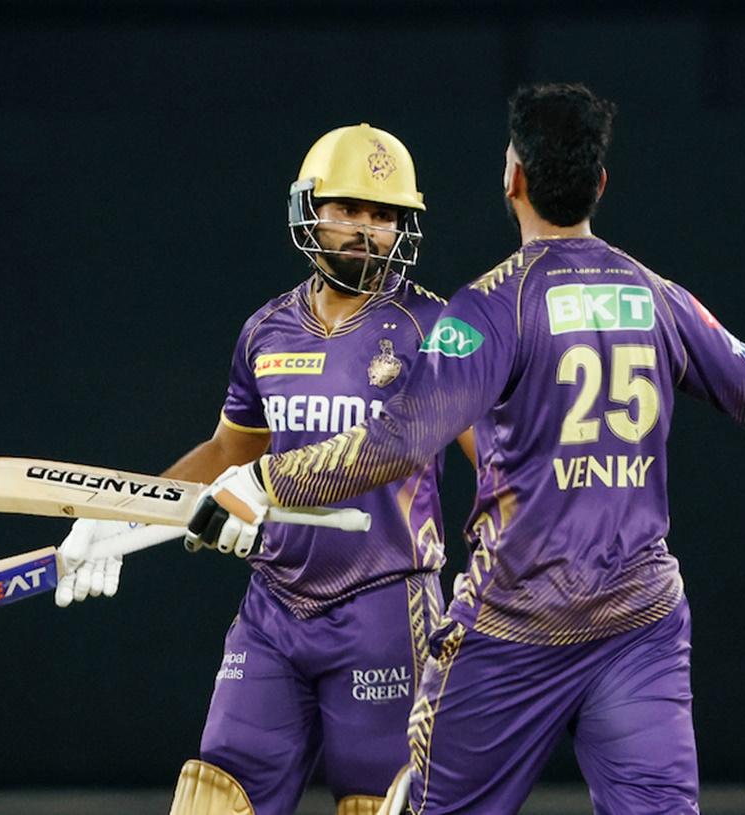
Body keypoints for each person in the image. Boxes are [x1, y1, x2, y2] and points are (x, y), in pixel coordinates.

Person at [183, 82, 745, 814]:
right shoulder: (657, 296)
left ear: (513, 177)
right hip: (638, 623)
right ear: (600, 183)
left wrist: (269, 478)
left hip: (511, 627)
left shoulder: (485, 309)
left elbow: (399, 440)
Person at [55, 123, 474, 815]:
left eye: (384, 214)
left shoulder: (441, 326)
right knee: (213, 797)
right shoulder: (266, 329)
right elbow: (228, 455)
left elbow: (499, 458)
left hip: (384, 605)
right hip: (274, 610)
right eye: (348, 209)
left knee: (383, 803)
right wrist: (129, 511)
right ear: (310, 210)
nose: (366, 230)